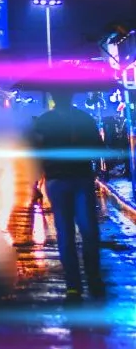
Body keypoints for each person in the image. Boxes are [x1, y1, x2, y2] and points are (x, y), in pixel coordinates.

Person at [32, 89, 105, 301]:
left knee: (78, 232)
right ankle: (82, 283)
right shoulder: (78, 119)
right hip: (67, 179)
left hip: (67, 180)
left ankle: (83, 282)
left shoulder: (53, 121)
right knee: (79, 231)